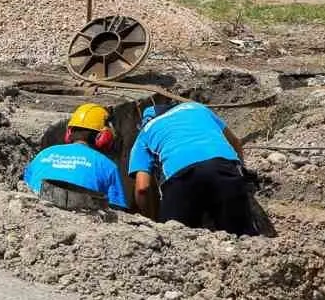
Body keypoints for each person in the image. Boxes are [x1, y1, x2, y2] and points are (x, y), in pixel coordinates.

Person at [127, 99, 256, 235]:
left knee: (177, 241)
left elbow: (142, 188)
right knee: (242, 237)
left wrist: (152, 223)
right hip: (223, 166)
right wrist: (242, 174)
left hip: (180, 179)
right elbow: (235, 142)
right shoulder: (197, 108)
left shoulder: (145, 133)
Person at [22, 103, 128, 212]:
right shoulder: (108, 167)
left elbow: (25, 188)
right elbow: (117, 210)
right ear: (102, 137)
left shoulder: (42, 155)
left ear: (69, 132)